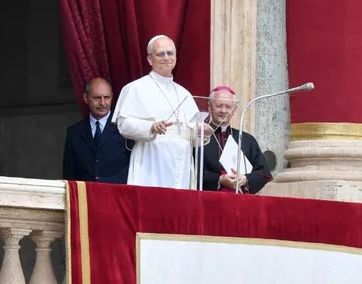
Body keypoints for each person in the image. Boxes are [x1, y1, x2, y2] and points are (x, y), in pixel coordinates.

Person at [112, 35, 212, 189]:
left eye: (170, 53)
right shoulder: (135, 88)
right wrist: (151, 127)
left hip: (181, 162)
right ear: (150, 59)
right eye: (160, 54)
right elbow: (123, 125)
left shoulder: (185, 94)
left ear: (176, 56)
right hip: (151, 160)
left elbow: (192, 135)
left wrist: (201, 132)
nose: (166, 58)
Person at [201, 86, 272, 194]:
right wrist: (219, 179)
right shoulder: (199, 137)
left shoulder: (247, 140)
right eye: (219, 106)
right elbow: (193, 173)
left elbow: (263, 173)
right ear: (210, 107)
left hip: (240, 200)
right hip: (209, 199)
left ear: (234, 110)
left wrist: (246, 179)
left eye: (228, 106)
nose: (223, 110)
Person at [63, 78, 131, 184]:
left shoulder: (124, 127)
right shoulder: (74, 132)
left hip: (116, 192)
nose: (103, 103)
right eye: (97, 98)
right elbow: (69, 174)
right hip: (85, 192)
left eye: (107, 97)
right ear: (86, 98)